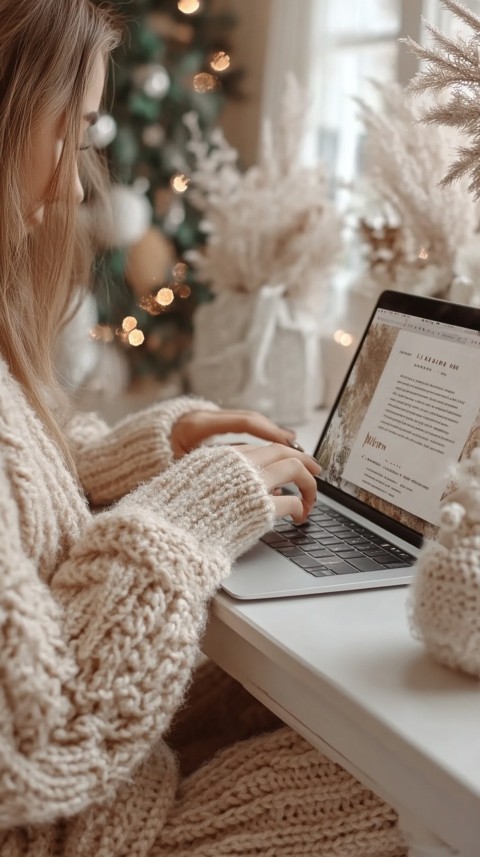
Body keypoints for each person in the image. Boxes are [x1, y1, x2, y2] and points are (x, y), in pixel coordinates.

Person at [0, 1, 406, 854]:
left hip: (118, 778)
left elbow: (25, 473)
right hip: (86, 827)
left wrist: (158, 447)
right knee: (426, 783)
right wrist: (199, 505)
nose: (73, 186)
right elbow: (33, 737)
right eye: (69, 138)